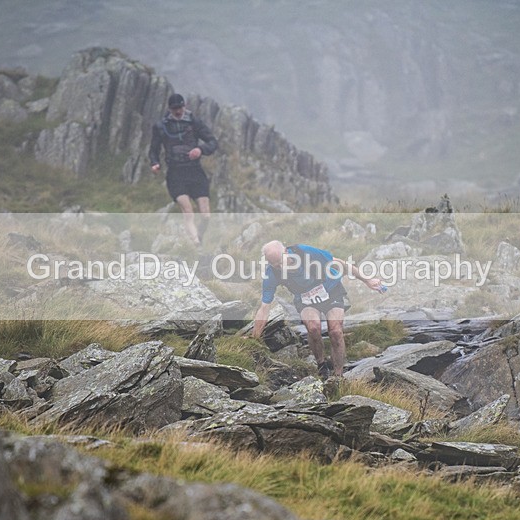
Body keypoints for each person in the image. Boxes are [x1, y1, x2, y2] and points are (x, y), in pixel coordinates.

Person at [251, 240, 384, 378]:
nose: (279, 266)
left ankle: (338, 375)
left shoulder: (305, 252)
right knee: (313, 327)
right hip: (305, 298)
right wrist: (255, 338)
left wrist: (367, 280)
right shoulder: (272, 273)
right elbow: (264, 307)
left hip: (331, 289)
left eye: (280, 261)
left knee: (336, 331)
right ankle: (321, 364)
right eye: (274, 264)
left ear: (285, 252)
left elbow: (340, 263)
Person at [149, 93, 218, 245]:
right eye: (174, 109)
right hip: (175, 174)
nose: (178, 111)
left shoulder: (194, 122)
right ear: (169, 109)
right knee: (188, 212)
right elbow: (153, 150)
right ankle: (196, 246)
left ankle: (199, 236)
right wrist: (154, 163)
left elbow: (213, 142)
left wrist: (200, 150)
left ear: (184, 106)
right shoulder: (161, 127)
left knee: (206, 215)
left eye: (180, 108)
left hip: (195, 172)